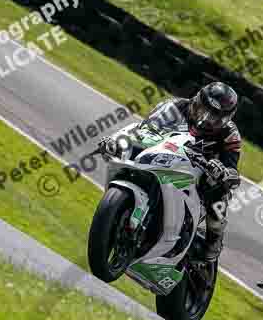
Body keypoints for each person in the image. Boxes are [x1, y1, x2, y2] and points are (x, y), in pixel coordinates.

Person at [98, 83, 242, 261]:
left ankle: (214, 239)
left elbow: (232, 168)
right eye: (202, 109)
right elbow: (143, 129)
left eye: (213, 117)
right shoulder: (175, 106)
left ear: (225, 119)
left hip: (198, 173)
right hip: (164, 155)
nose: (204, 118)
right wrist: (118, 142)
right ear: (196, 100)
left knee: (218, 193)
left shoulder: (230, 133)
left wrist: (223, 172)